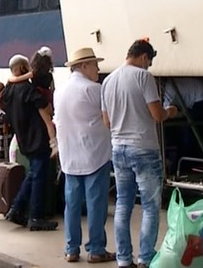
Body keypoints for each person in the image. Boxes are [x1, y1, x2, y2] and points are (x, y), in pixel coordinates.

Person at [101, 39, 178, 268]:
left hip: (119, 149)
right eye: (149, 61)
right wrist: (170, 111)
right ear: (144, 57)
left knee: (123, 204)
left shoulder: (108, 80)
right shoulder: (144, 78)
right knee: (150, 205)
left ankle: (124, 259)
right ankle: (146, 257)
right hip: (143, 149)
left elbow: (106, 121)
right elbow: (157, 115)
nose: (149, 66)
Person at [56, 48, 116, 264]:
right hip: (94, 155)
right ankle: (96, 249)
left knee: (71, 204)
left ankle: (71, 249)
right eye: (94, 64)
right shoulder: (94, 89)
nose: (98, 69)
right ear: (83, 66)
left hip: (69, 157)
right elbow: (110, 117)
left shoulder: (59, 90)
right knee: (96, 204)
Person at [3, 54, 59, 231]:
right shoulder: (30, 90)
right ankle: (36, 216)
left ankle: (16, 209)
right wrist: (53, 142)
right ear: (21, 68)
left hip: (23, 139)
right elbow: (47, 113)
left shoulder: (8, 90)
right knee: (39, 178)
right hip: (38, 139)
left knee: (33, 174)